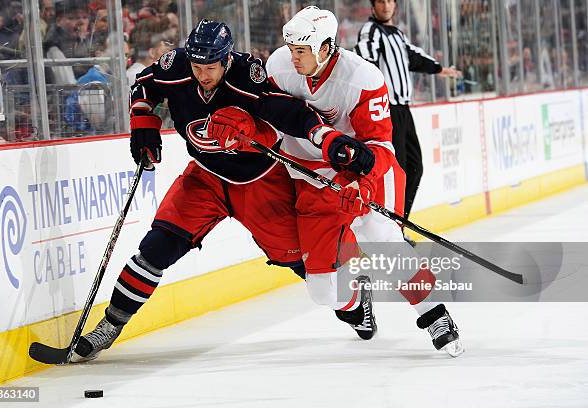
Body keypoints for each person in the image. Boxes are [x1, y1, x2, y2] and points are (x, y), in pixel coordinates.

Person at [71, 19, 374, 362]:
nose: (202, 74)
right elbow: (144, 85)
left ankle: (353, 303)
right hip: (204, 178)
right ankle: (109, 326)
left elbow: (289, 113)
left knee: (305, 264)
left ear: (226, 59)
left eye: (210, 67)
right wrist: (143, 123)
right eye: (197, 66)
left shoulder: (248, 75)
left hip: (260, 182)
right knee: (156, 247)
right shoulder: (176, 65)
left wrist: (325, 137)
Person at [257, 6, 463, 356]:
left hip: (363, 172)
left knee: (384, 240)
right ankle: (357, 296)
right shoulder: (278, 67)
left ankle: (435, 315)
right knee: (322, 290)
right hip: (312, 178)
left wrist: (363, 186)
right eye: (292, 49)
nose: (294, 57)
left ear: (325, 48)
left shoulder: (362, 78)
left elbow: (382, 147)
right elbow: (265, 117)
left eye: (302, 51)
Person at [354, 0, 461, 226]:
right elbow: (366, 61)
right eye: (380, 2)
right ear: (373, 6)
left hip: (403, 110)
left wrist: (439, 69)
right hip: (386, 111)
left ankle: (399, 223)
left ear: (395, 5)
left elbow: (413, 56)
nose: (386, 6)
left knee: (414, 167)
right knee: (396, 172)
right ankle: (391, 228)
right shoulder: (370, 31)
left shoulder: (398, 35)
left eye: (390, 1)